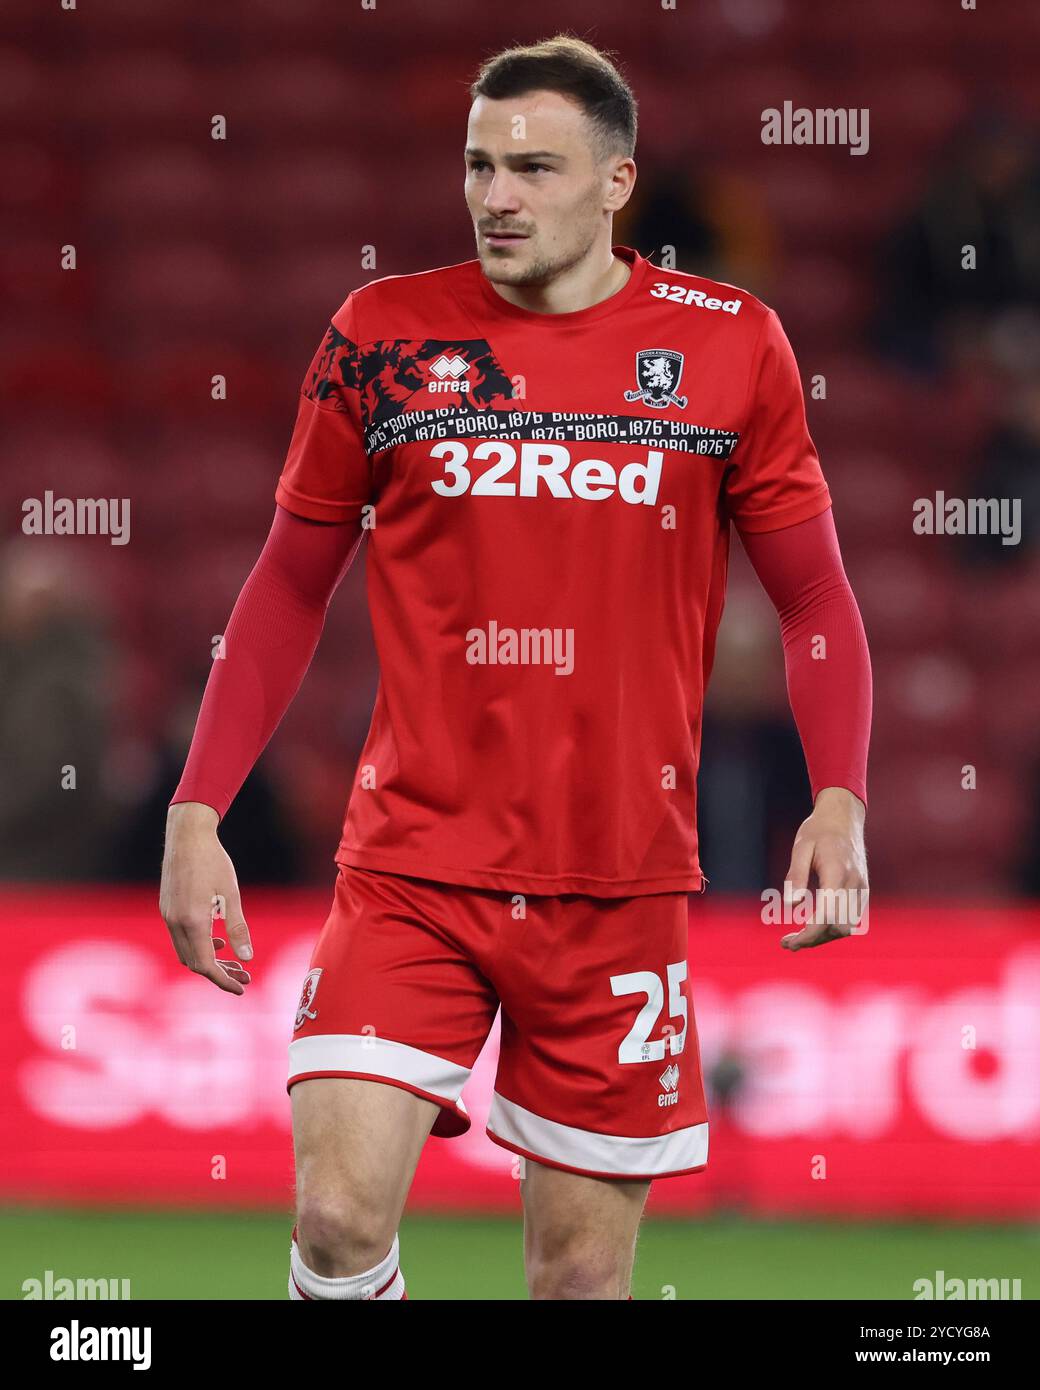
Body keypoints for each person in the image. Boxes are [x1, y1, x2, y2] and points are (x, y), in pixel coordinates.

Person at [159, 34, 871, 1301]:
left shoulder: (728, 346)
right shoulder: (380, 336)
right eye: (479, 164)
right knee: (331, 1217)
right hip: (411, 868)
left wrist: (838, 797)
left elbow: (813, 592)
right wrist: (199, 805)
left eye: (533, 168)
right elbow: (284, 581)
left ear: (616, 182)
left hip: (619, 882)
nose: (496, 196)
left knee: (576, 1282)